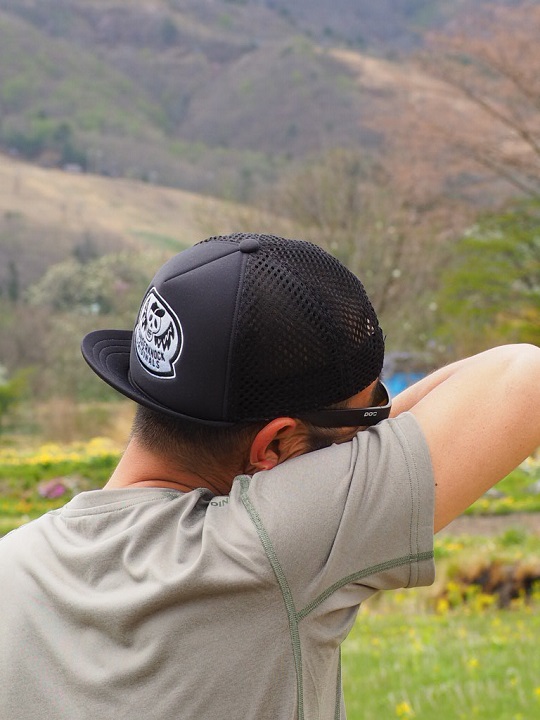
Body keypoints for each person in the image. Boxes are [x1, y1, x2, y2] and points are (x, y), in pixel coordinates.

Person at [1, 232, 539, 720]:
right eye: (366, 420)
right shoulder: (268, 549)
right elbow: (523, 375)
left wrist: (348, 424)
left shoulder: (14, 566)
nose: (371, 434)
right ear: (274, 446)